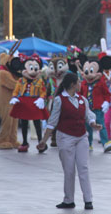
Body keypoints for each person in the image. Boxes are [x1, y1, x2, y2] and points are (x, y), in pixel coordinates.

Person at [37, 72, 100, 210]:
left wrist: (93, 123)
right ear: (72, 84)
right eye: (78, 82)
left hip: (81, 137)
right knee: (69, 170)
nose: (80, 84)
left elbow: (88, 115)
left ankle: (88, 200)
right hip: (65, 137)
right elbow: (52, 122)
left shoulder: (82, 99)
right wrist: (44, 140)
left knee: (84, 168)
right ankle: (68, 199)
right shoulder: (59, 100)